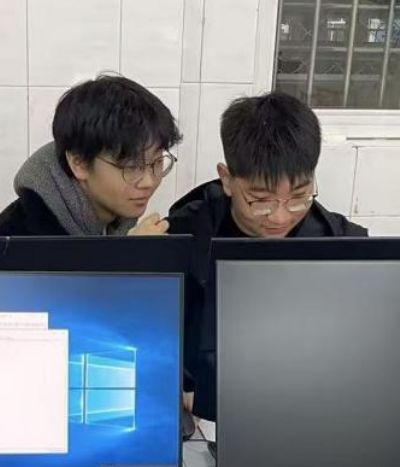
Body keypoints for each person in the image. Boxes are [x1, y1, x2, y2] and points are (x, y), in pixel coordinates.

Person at [168, 92, 367, 434]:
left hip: (304, 413)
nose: (279, 216)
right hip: (199, 419)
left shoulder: (342, 244)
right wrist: (175, 383)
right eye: (260, 200)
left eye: (299, 197)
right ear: (227, 178)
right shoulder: (183, 237)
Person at [0, 74, 180, 237]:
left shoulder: (112, 220)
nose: (148, 182)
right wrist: (128, 257)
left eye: (157, 162)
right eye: (132, 167)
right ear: (79, 163)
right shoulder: (19, 241)